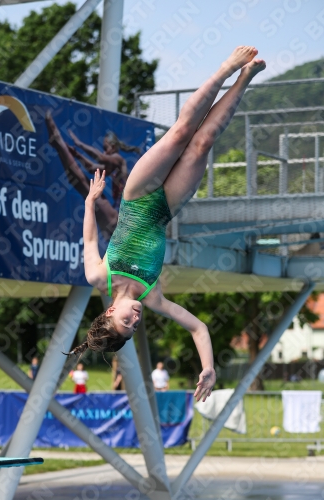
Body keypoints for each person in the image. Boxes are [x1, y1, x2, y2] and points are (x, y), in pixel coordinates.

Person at [69, 47, 266, 402]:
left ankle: (224, 69)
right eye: (134, 327)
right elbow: (198, 328)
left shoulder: (100, 277)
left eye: (126, 321)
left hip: (137, 195)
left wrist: (89, 202)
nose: (135, 321)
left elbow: (89, 241)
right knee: (203, 142)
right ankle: (244, 79)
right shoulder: (152, 296)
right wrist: (208, 367)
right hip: (165, 208)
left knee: (180, 134)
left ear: (111, 310)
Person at [68, 130, 141, 210]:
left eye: (106, 148)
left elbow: (100, 158)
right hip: (120, 203)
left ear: (113, 147)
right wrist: (77, 155)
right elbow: (91, 168)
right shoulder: (112, 166)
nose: (104, 152)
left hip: (126, 205)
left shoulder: (118, 158)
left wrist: (79, 143)